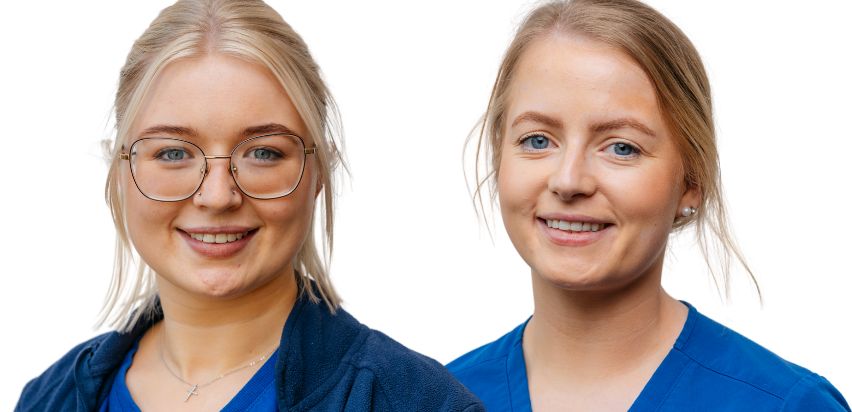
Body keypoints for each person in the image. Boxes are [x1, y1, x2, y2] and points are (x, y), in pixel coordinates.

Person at [15, 1, 483, 411]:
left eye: (263, 153)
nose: (217, 196)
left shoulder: (415, 402)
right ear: (120, 172)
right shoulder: (48, 398)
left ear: (318, 172)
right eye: (173, 153)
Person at [446, 0, 850, 410]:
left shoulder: (787, 404)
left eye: (622, 148)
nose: (568, 181)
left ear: (692, 181)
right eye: (537, 140)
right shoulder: (431, 398)